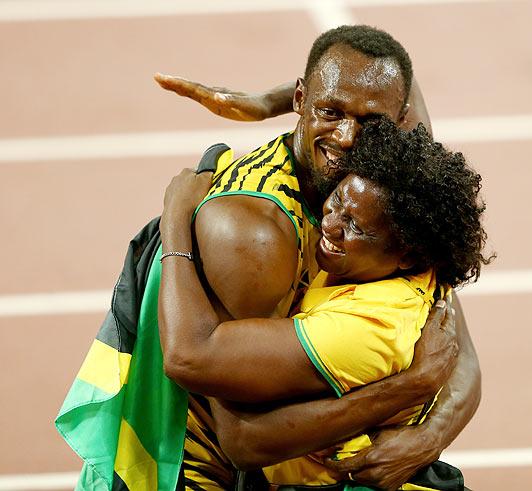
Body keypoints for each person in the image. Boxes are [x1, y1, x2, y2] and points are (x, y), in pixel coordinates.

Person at [56, 25, 480, 491]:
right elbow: (241, 436)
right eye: (329, 111)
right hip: (204, 474)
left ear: (399, 121)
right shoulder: (255, 236)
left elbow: (453, 341)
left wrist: (430, 436)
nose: (347, 137)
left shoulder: (392, 184)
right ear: (305, 100)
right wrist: (410, 386)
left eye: (371, 121)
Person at [158, 115, 490, 490]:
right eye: (335, 204)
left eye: (354, 226)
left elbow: (240, 436)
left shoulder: (367, 329)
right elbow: (395, 86)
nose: (330, 226)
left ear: (406, 256)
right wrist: (282, 98)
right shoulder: (386, 254)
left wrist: (175, 222)